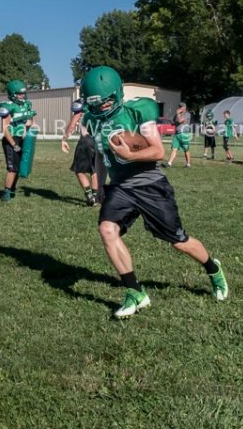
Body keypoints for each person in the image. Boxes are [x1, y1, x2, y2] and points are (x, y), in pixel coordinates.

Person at [80, 66, 227, 318]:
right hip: (120, 187)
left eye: (105, 102)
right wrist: (100, 187)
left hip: (149, 183)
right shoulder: (91, 120)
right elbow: (100, 158)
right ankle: (135, 292)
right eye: (96, 103)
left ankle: (213, 269)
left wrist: (129, 154)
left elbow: (158, 152)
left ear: (117, 94)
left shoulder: (138, 110)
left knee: (179, 242)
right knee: (107, 229)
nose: (102, 107)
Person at [0, 79, 36, 201]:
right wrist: (14, 145)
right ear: (12, 94)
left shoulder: (26, 104)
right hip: (11, 140)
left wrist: (31, 130)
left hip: (20, 138)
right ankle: (6, 192)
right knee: (12, 168)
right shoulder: (7, 106)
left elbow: (30, 122)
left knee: (19, 167)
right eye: (19, 93)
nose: (22, 96)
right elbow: (5, 129)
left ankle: (12, 189)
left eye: (23, 93)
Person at [61, 98, 99, 206]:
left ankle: (90, 196)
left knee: (79, 170)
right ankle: (95, 197)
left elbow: (73, 124)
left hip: (86, 140)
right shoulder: (96, 107)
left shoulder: (82, 107)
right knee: (94, 171)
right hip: (97, 141)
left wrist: (64, 139)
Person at [165, 102, 192, 168]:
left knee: (186, 149)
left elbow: (180, 121)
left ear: (185, 107)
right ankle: (169, 163)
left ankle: (188, 164)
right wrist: (170, 120)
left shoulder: (187, 114)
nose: (180, 108)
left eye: (181, 107)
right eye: (179, 106)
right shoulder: (177, 115)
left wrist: (177, 114)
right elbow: (173, 123)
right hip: (177, 134)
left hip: (184, 134)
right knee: (174, 149)